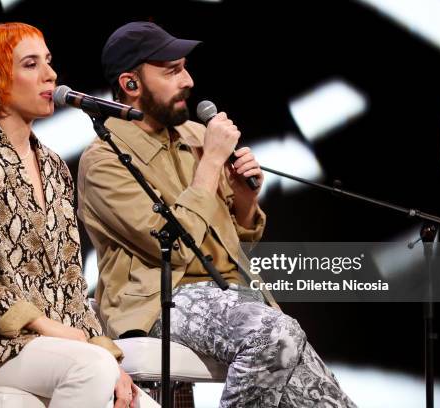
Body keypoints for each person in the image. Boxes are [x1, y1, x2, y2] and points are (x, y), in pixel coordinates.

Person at [77, 21, 357, 407]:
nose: (188, 80)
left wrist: (244, 198)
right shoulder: (105, 160)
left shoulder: (195, 134)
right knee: (274, 334)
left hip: (233, 294)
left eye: (185, 67)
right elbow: (172, 246)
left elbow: (239, 237)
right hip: (158, 300)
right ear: (131, 84)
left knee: (328, 400)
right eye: (172, 71)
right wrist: (210, 162)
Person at [0, 22, 142, 408]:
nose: (50, 74)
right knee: (90, 369)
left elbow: (72, 280)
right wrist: (43, 325)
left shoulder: (55, 167)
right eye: (30, 64)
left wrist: (107, 354)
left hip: (57, 348)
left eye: (49, 61)